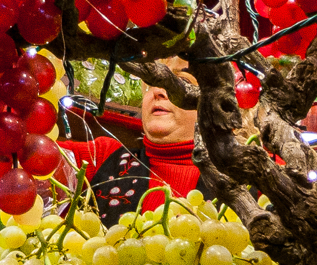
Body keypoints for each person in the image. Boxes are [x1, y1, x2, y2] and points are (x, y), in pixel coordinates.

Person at [59, 59, 213, 224]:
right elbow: (35, 155)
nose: (157, 91)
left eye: (182, 81)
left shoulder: (236, 185)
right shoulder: (102, 155)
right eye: (151, 83)